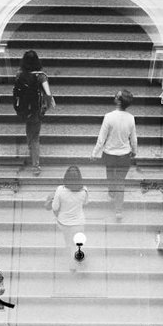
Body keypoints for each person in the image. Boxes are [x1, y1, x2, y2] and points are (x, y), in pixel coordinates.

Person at [90, 89, 137, 220]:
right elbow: (133, 138)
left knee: (110, 174)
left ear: (118, 100)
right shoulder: (131, 118)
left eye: (117, 95)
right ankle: (118, 210)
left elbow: (101, 139)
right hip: (125, 155)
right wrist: (134, 150)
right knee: (120, 181)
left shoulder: (108, 117)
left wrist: (94, 153)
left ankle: (112, 192)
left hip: (109, 154)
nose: (115, 96)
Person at [13, 50, 56, 176]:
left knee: (30, 132)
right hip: (36, 111)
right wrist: (48, 105)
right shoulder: (41, 76)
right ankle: (35, 165)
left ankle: (31, 150)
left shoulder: (19, 75)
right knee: (35, 137)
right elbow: (48, 93)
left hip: (24, 109)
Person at [51, 166, 89, 270]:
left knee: (68, 242)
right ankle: (79, 259)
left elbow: (55, 207)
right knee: (77, 243)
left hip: (64, 223)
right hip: (79, 223)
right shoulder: (84, 190)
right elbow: (85, 202)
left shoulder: (60, 190)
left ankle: (73, 265)